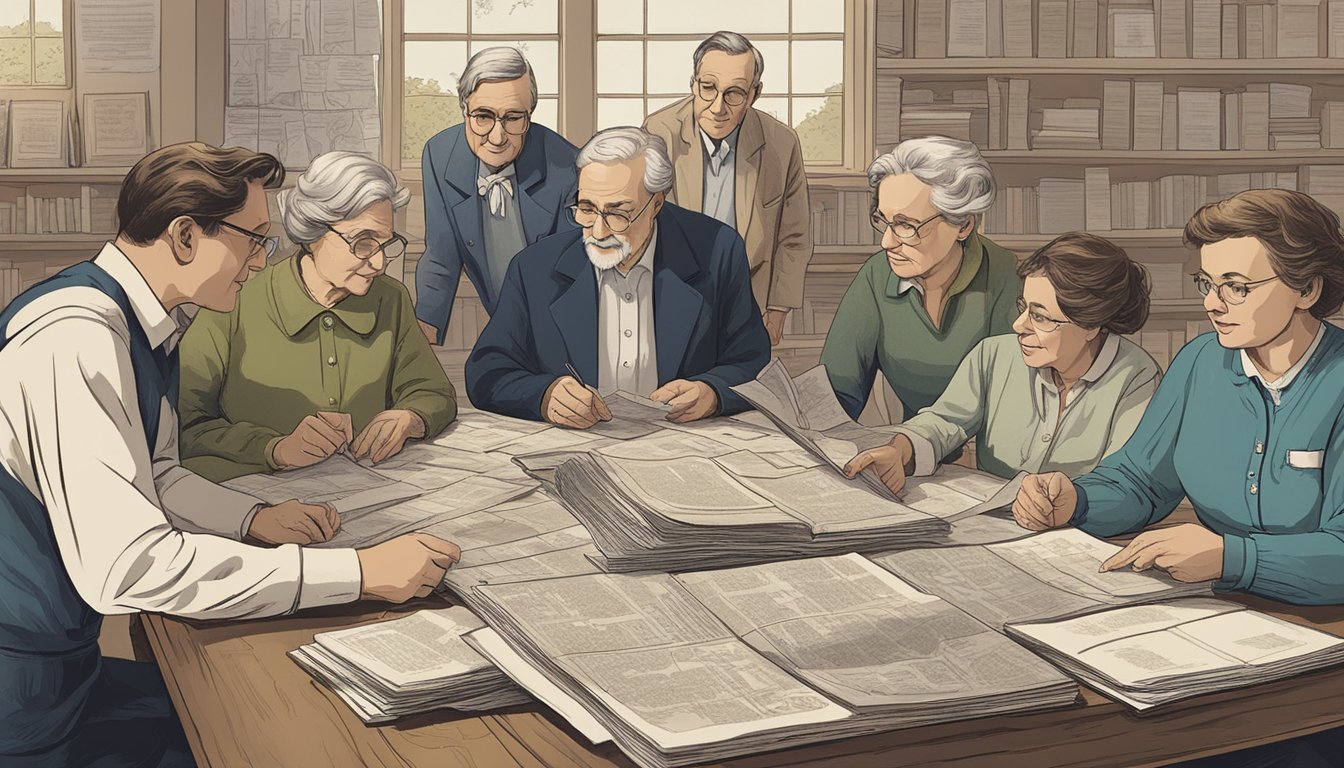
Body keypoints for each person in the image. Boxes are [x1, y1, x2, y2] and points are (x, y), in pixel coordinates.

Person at [0, 143, 462, 767]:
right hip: (23, 691)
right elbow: (131, 568)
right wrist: (357, 573)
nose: (260, 260)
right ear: (186, 236)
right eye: (254, 240)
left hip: (60, 664)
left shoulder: (142, 322)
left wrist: (252, 520)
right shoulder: (76, 336)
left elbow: (157, 475)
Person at [1012, 188, 1344, 767]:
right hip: (1213, 628)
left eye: (1236, 286)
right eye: (1207, 284)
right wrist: (1076, 499)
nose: (1214, 303)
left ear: (1307, 289)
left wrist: (1228, 557)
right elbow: (1141, 483)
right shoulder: (1200, 364)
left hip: (1323, 655)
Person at [178, 151, 457, 482]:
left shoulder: (390, 299)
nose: (380, 263)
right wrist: (273, 448)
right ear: (313, 233)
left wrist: (409, 417)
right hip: (253, 498)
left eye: (385, 244)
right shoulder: (235, 299)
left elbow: (434, 391)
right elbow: (184, 423)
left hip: (368, 490)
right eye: (363, 242)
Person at [465, 126, 770, 427]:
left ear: (657, 204)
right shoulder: (535, 268)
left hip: (683, 446)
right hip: (578, 447)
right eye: (586, 208)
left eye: (618, 213)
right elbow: (486, 372)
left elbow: (751, 359)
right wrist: (544, 396)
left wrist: (713, 392)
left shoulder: (716, 251)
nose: (598, 232)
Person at [845, 232, 1160, 493]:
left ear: (1091, 325)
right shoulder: (993, 356)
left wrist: (1072, 503)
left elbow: (1125, 481)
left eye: (1039, 316)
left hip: (1081, 534)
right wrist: (900, 450)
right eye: (1023, 307)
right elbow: (944, 422)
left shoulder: (1137, 377)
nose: (1019, 325)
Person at [821, 136, 1023, 423]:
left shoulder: (1007, 277)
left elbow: (1019, 402)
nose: (887, 242)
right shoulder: (877, 275)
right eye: (884, 221)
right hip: (910, 455)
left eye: (906, 225)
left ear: (963, 225)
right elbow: (836, 391)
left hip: (990, 459)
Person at [643, 31, 812, 346]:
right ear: (693, 84)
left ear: (754, 94)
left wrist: (777, 311)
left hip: (749, 299)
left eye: (734, 93)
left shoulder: (781, 143)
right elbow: (645, 225)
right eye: (708, 88)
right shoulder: (659, 133)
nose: (718, 107)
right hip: (674, 292)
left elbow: (795, 237)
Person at [415, 46, 580, 346]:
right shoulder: (439, 156)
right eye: (483, 116)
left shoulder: (566, 164)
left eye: (513, 118)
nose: (497, 136)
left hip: (558, 317)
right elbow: (441, 253)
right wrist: (423, 329)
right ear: (464, 108)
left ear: (530, 115)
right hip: (500, 315)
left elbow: (569, 271)